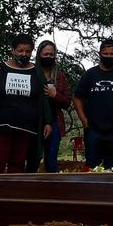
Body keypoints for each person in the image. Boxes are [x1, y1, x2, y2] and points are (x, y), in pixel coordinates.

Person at [0, 34, 54, 174]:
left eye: (27, 51)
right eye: (20, 51)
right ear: (13, 50)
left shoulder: (36, 72)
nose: (24, 54)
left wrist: (47, 121)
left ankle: (13, 192)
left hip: (26, 127)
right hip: (1, 125)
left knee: (18, 162)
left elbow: (43, 97)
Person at [74, 39, 113, 169]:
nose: (109, 56)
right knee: (91, 167)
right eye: (105, 54)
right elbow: (77, 98)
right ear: (99, 54)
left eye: (112, 54)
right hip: (93, 129)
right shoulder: (89, 75)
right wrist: (84, 121)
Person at [25, 40, 72, 173]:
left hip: (55, 120)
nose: (49, 57)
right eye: (46, 54)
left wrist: (55, 95)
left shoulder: (60, 76)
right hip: (34, 121)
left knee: (51, 160)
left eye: (51, 54)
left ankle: (53, 189)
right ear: (39, 54)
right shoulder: (31, 72)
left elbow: (67, 102)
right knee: (33, 159)